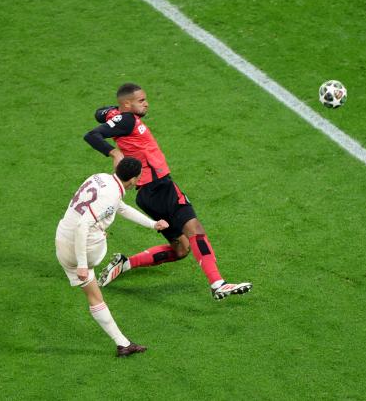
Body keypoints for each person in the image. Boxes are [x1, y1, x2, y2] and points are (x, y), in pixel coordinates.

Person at [83, 83, 252, 300]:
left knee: (181, 249)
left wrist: (108, 113)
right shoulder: (126, 120)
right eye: (141, 100)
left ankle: (125, 264)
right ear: (128, 103)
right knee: (194, 229)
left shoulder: (122, 117)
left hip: (147, 194)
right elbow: (92, 135)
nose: (147, 103)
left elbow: (100, 113)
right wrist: (115, 153)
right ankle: (218, 283)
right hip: (160, 187)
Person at [55, 157, 169, 357]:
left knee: (94, 295)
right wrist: (83, 264)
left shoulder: (99, 178)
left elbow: (119, 207)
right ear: (133, 180)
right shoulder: (111, 196)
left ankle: (122, 344)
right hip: (83, 249)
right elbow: (84, 225)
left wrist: (152, 224)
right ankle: (96, 247)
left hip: (61, 240)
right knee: (97, 233)